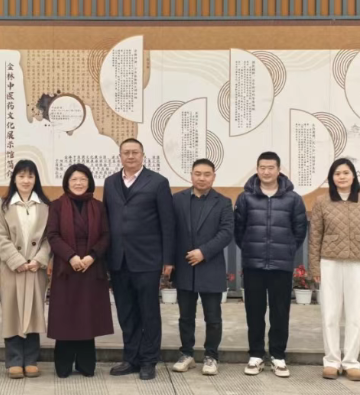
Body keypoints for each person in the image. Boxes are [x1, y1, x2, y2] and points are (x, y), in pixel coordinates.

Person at [103, 138, 175, 381]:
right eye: (126, 152)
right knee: (126, 312)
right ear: (120, 156)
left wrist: (168, 259)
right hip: (118, 259)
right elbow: (106, 220)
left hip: (147, 259)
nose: (131, 156)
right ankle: (131, 358)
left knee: (149, 312)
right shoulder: (111, 182)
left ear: (143, 155)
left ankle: (148, 360)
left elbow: (168, 223)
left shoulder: (158, 182)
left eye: (135, 152)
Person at [234, 151, 307, 378]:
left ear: (278, 170)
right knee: (254, 311)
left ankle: (278, 356)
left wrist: (286, 250)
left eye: (270, 168)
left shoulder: (293, 199)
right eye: (262, 168)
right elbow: (239, 231)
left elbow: (299, 231)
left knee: (280, 312)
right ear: (257, 169)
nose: (266, 172)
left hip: (281, 265)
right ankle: (256, 355)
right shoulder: (245, 198)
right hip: (253, 264)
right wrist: (250, 250)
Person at [309, 158, 360, 382]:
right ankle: (331, 361)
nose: (342, 176)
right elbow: (315, 237)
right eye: (337, 173)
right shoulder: (322, 202)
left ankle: (350, 363)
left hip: (358, 264)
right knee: (330, 313)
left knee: (355, 315)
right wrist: (314, 266)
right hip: (329, 262)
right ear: (332, 177)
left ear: (353, 176)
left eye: (346, 172)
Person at [46, 164, 114, 378]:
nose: (78, 183)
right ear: (67, 182)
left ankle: (86, 364)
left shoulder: (98, 206)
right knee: (66, 315)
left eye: (83, 179)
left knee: (87, 315)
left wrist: (92, 256)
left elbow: (106, 235)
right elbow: (52, 235)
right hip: (66, 267)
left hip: (91, 266)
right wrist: (71, 256)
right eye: (74, 179)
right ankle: (63, 365)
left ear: (89, 182)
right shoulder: (57, 205)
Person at [170, 159, 234, 376]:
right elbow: (170, 231)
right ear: (191, 175)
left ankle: (211, 356)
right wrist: (169, 261)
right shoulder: (177, 200)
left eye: (207, 174)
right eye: (198, 173)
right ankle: (186, 354)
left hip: (210, 265)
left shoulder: (223, 202)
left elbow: (226, 232)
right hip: (185, 266)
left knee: (213, 317)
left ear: (213, 176)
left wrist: (203, 252)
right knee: (185, 316)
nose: (202, 178)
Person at [0, 159, 52, 379]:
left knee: (34, 311)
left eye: (30, 176)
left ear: (36, 179)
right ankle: (14, 360)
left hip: (36, 268)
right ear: (14, 178)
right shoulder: (3, 205)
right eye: (21, 176)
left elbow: (50, 237)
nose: (26, 180)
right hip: (12, 268)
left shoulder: (45, 205)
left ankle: (31, 359)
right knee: (12, 312)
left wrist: (39, 259)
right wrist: (16, 260)